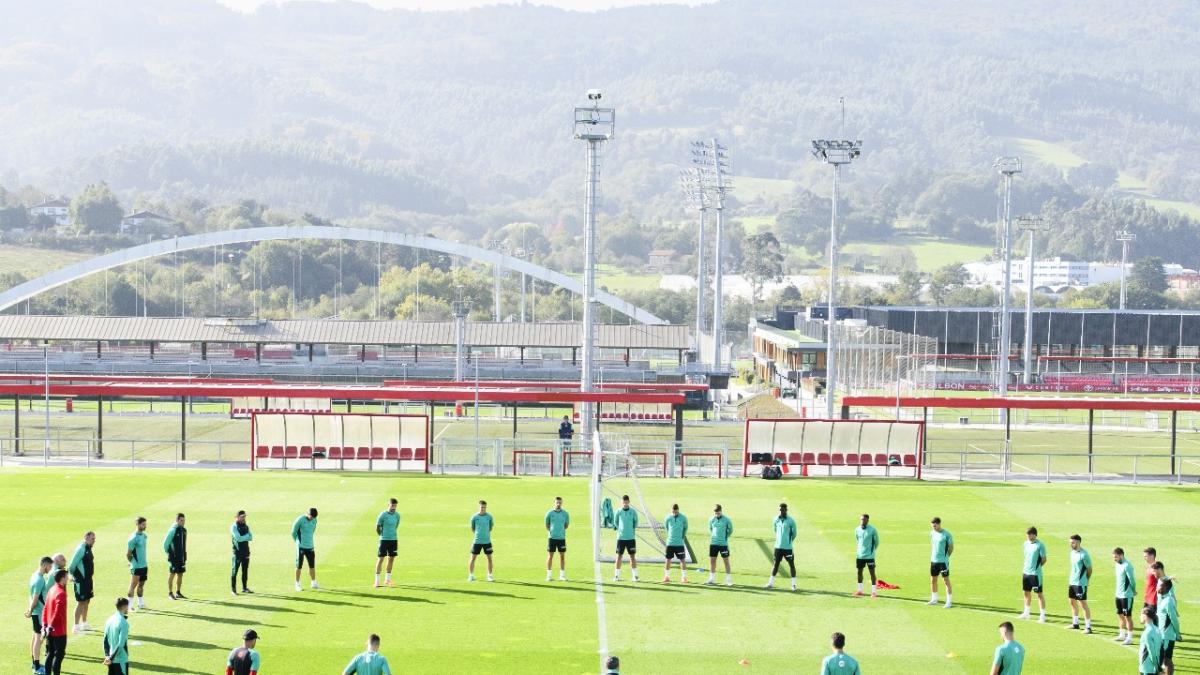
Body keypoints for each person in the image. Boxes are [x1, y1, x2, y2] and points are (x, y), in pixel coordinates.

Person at [26, 556, 52, 675]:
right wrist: (30, 610)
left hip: (36, 612)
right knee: (39, 638)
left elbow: (31, 596)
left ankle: (34, 662)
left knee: (35, 636)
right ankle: (36, 667)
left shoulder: (34, 576)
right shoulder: (39, 580)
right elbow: (36, 598)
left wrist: (30, 609)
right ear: (44, 565)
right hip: (39, 612)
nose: (50, 569)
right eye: (49, 567)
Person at [41, 569, 69, 675]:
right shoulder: (61, 593)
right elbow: (57, 612)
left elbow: (46, 608)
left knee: (50, 653)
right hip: (59, 631)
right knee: (59, 655)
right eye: (66, 576)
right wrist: (51, 626)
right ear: (62, 578)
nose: (68, 578)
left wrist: (45, 624)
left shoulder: (52, 589)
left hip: (49, 629)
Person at [765, 503, 797, 591]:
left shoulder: (791, 521)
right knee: (776, 564)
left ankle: (794, 585)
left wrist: (788, 541)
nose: (781, 511)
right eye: (780, 510)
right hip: (778, 547)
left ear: (786, 510)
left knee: (791, 565)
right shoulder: (775, 519)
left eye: (783, 510)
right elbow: (775, 529)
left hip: (788, 548)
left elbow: (794, 534)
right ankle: (770, 583)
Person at [68, 531, 95, 633]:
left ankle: (84, 623)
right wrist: (75, 578)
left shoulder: (88, 548)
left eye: (94, 539)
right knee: (80, 602)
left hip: (88, 580)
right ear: (86, 538)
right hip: (81, 581)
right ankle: (75, 625)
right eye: (92, 539)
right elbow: (71, 566)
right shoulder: (81, 549)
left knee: (87, 601)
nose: (94, 541)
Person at [1019, 526, 1047, 622]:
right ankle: (1026, 612)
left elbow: (1044, 559)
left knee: (1039, 594)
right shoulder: (1025, 544)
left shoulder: (1040, 545)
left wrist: (1037, 568)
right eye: (1027, 534)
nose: (1028, 536)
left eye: (1030, 534)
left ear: (1035, 535)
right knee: (1026, 592)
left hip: (1035, 574)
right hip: (1026, 572)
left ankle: (1042, 616)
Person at [1067, 534, 1093, 632]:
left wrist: (1085, 580)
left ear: (1078, 542)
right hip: (1072, 582)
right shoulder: (1072, 553)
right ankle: (1075, 623)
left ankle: (1088, 627)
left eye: (1072, 542)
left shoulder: (1084, 554)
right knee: (1072, 602)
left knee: (1083, 604)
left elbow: (1089, 569)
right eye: (1070, 543)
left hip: (1080, 583)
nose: (1071, 544)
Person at [612, 495, 639, 582]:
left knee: (632, 557)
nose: (625, 504)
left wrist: (631, 530)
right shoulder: (618, 511)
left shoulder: (633, 512)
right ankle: (616, 575)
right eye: (624, 502)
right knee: (619, 556)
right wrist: (620, 529)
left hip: (631, 538)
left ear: (629, 502)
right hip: (621, 538)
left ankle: (635, 576)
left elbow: (636, 522)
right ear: (622, 502)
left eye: (626, 502)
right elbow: (615, 522)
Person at [1113, 547, 1137, 644]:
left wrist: (1134, 590)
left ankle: (1129, 638)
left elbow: (1132, 580)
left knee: (1128, 616)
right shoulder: (1117, 565)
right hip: (1118, 594)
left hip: (1126, 595)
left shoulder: (1127, 566)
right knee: (1120, 615)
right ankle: (1122, 635)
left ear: (1121, 555)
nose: (1114, 559)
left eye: (1116, 557)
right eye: (1113, 557)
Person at [928, 517, 954, 608]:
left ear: (939, 524)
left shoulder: (946, 534)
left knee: (946, 581)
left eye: (935, 525)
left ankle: (949, 602)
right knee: (933, 580)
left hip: (943, 561)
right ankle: (934, 599)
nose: (934, 527)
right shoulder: (931, 533)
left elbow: (951, 548)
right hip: (934, 560)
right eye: (932, 526)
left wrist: (946, 557)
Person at [292, 507, 319, 591]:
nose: (312, 518)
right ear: (307, 514)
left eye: (313, 517)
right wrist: (297, 542)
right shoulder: (300, 520)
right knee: (299, 566)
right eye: (311, 516)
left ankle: (313, 582)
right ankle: (297, 583)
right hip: (300, 547)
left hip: (310, 546)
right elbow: (293, 532)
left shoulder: (314, 520)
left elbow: (312, 531)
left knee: (312, 565)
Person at [375, 498, 400, 588]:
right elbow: (377, 527)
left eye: (395, 506)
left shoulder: (397, 515)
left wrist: (392, 534)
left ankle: (387, 579)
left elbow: (396, 526)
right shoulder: (383, 515)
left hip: (393, 539)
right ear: (388, 505)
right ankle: (377, 581)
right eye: (392, 505)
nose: (394, 507)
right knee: (381, 559)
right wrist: (381, 536)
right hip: (384, 540)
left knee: (391, 558)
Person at [102, 597, 131, 675]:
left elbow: (105, 640)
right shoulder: (124, 623)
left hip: (111, 660)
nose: (128, 608)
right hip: (121, 660)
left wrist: (107, 656)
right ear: (124, 607)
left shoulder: (109, 620)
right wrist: (111, 658)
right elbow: (121, 644)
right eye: (127, 606)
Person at [706, 504, 733, 586]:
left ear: (721, 511)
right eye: (715, 513)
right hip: (713, 543)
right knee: (712, 561)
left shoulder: (727, 520)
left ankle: (728, 580)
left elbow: (731, 530)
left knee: (726, 561)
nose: (717, 514)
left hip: (723, 544)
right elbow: (710, 528)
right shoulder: (711, 519)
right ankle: (711, 579)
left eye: (718, 512)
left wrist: (725, 537)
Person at [468, 500, 495, 582]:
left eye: (484, 507)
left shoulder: (489, 517)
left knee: (489, 558)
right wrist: (478, 535)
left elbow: (490, 528)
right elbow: (472, 528)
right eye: (481, 507)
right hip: (477, 542)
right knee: (472, 558)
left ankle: (490, 575)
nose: (483, 509)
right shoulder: (474, 517)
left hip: (487, 541)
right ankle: (471, 575)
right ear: (478, 507)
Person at [125, 517, 148, 611]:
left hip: (144, 565)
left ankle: (141, 603)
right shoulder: (133, 538)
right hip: (137, 566)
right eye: (143, 524)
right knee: (133, 585)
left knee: (141, 585)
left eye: (145, 524)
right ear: (138, 525)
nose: (145, 526)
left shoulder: (144, 536)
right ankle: (129, 606)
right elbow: (128, 554)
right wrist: (132, 563)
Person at [1157, 578, 1179, 675]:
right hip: (1162, 634)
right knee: (1164, 660)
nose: (1157, 587)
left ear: (1165, 587)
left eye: (1159, 585)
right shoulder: (1162, 597)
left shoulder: (1168, 601)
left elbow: (1174, 619)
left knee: (1166, 660)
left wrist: (1177, 634)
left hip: (1166, 635)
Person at [662, 503, 689, 583]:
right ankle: (666, 577)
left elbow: (685, 528)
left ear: (678, 510)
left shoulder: (683, 518)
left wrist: (682, 537)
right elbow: (666, 527)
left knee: (682, 560)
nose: (674, 513)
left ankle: (684, 577)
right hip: (670, 543)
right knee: (668, 559)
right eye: (673, 512)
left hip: (679, 543)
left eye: (676, 512)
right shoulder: (668, 518)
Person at [545, 496, 570, 582]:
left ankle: (562, 576)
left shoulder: (565, 514)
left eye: (560, 503)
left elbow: (566, 525)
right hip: (552, 538)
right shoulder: (549, 513)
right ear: (554, 503)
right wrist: (552, 531)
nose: (558, 504)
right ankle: (549, 576)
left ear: (562, 503)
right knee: (550, 556)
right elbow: (547, 524)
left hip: (561, 538)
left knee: (562, 556)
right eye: (557, 503)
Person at [854, 514, 879, 597]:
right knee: (859, 573)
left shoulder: (872, 530)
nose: (862, 521)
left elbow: (877, 542)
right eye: (861, 519)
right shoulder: (857, 529)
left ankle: (874, 592)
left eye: (864, 520)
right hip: (860, 556)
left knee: (872, 573)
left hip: (870, 556)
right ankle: (860, 590)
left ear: (867, 520)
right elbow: (858, 540)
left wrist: (872, 551)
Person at [164, 513, 188, 600]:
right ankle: (170, 593)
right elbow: (165, 544)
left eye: (184, 520)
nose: (183, 522)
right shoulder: (173, 530)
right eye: (181, 520)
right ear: (177, 520)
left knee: (180, 574)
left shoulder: (184, 530)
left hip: (181, 557)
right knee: (172, 573)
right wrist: (170, 553)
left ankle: (178, 592)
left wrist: (184, 555)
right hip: (173, 557)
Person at [231, 510, 254, 595]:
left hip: (246, 552)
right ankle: (233, 590)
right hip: (237, 553)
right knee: (234, 571)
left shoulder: (246, 526)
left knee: (245, 571)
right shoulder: (234, 527)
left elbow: (251, 537)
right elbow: (238, 538)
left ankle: (244, 588)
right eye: (242, 517)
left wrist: (245, 537)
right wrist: (246, 537)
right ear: (237, 517)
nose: (244, 518)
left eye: (245, 516)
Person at [1139, 607, 1163, 675]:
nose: (1140, 616)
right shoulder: (1157, 630)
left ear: (1145, 616)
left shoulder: (1147, 633)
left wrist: (1158, 667)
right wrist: (1158, 666)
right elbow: (1161, 650)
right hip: (1154, 667)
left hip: (1146, 668)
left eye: (1141, 614)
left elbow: (1151, 652)